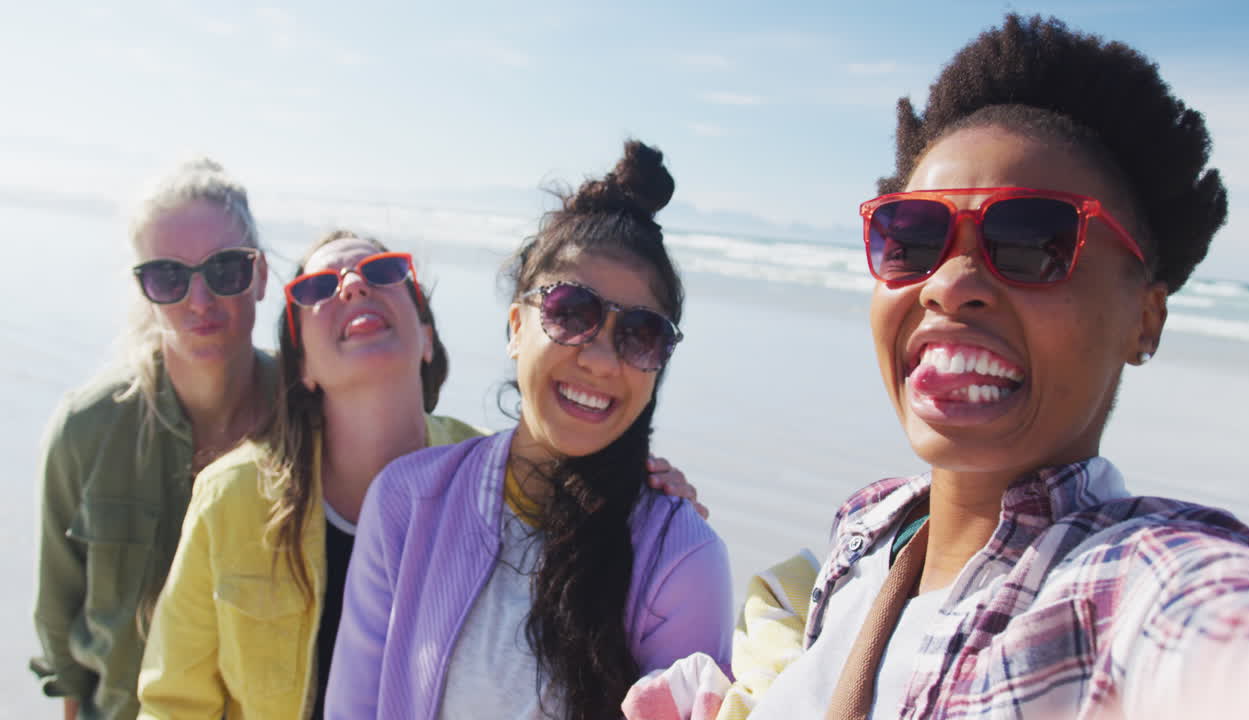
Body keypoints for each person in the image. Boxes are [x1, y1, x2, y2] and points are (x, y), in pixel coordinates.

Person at [625, 14, 1249, 720]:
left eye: (1032, 240)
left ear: (1144, 320)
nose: (947, 282)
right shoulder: (869, 528)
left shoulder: (1121, 591)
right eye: (911, 238)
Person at [135, 227, 709, 719]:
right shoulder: (232, 495)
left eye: (382, 271)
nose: (354, 285)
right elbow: (174, 703)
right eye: (315, 288)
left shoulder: (506, 485)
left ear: (427, 335)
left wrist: (655, 494)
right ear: (301, 362)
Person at [325, 140, 734, 720]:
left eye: (640, 334)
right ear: (517, 327)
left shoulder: (682, 559)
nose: (600, 360)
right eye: (572, 313)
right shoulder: (408, 503)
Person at [30, 159, 275, 720]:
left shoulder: (312, 420)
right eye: (168, 277)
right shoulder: (85, 428)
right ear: (144, 290)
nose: (200, 301)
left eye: (225, 270)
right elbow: (57, 615)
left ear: (260, 276)